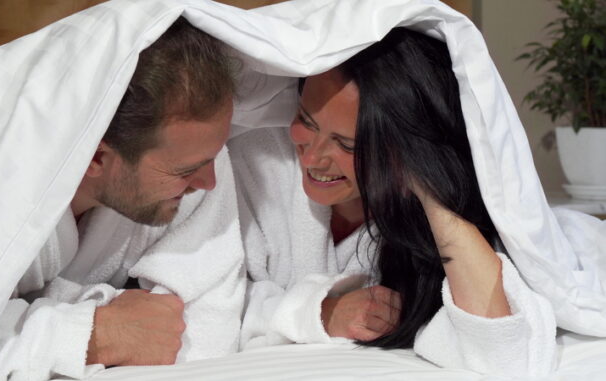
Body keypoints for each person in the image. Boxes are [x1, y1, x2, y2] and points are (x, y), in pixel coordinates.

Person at [230, 27, 556, 376]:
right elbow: (211, 306)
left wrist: (428, 191)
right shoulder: (256, 159)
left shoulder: (426, 213)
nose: (313, 159)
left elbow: (503, 354)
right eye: (305, 121)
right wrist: (321, 313)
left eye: (348, 144)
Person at [0, 18, 242, 381]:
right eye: (185, 172)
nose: (209, 182)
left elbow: (207, 327)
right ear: (95, 158)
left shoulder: (194, 154)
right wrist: (94, 333)